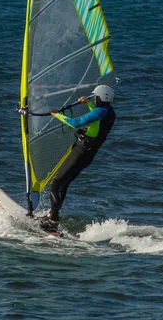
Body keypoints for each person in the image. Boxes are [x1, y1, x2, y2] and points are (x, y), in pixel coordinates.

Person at [39, 84, 116, 233]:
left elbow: (76, 123)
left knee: (56, 183)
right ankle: (52, 214)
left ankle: (53, 220)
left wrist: (57, 115)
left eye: (95, 96)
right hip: (88, 154)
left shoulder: (99, 112)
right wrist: (89, 104)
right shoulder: (109, 112)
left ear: (100, 97)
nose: (93, 97)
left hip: (81, 152)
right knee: (64, 182)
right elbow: (98, 115)